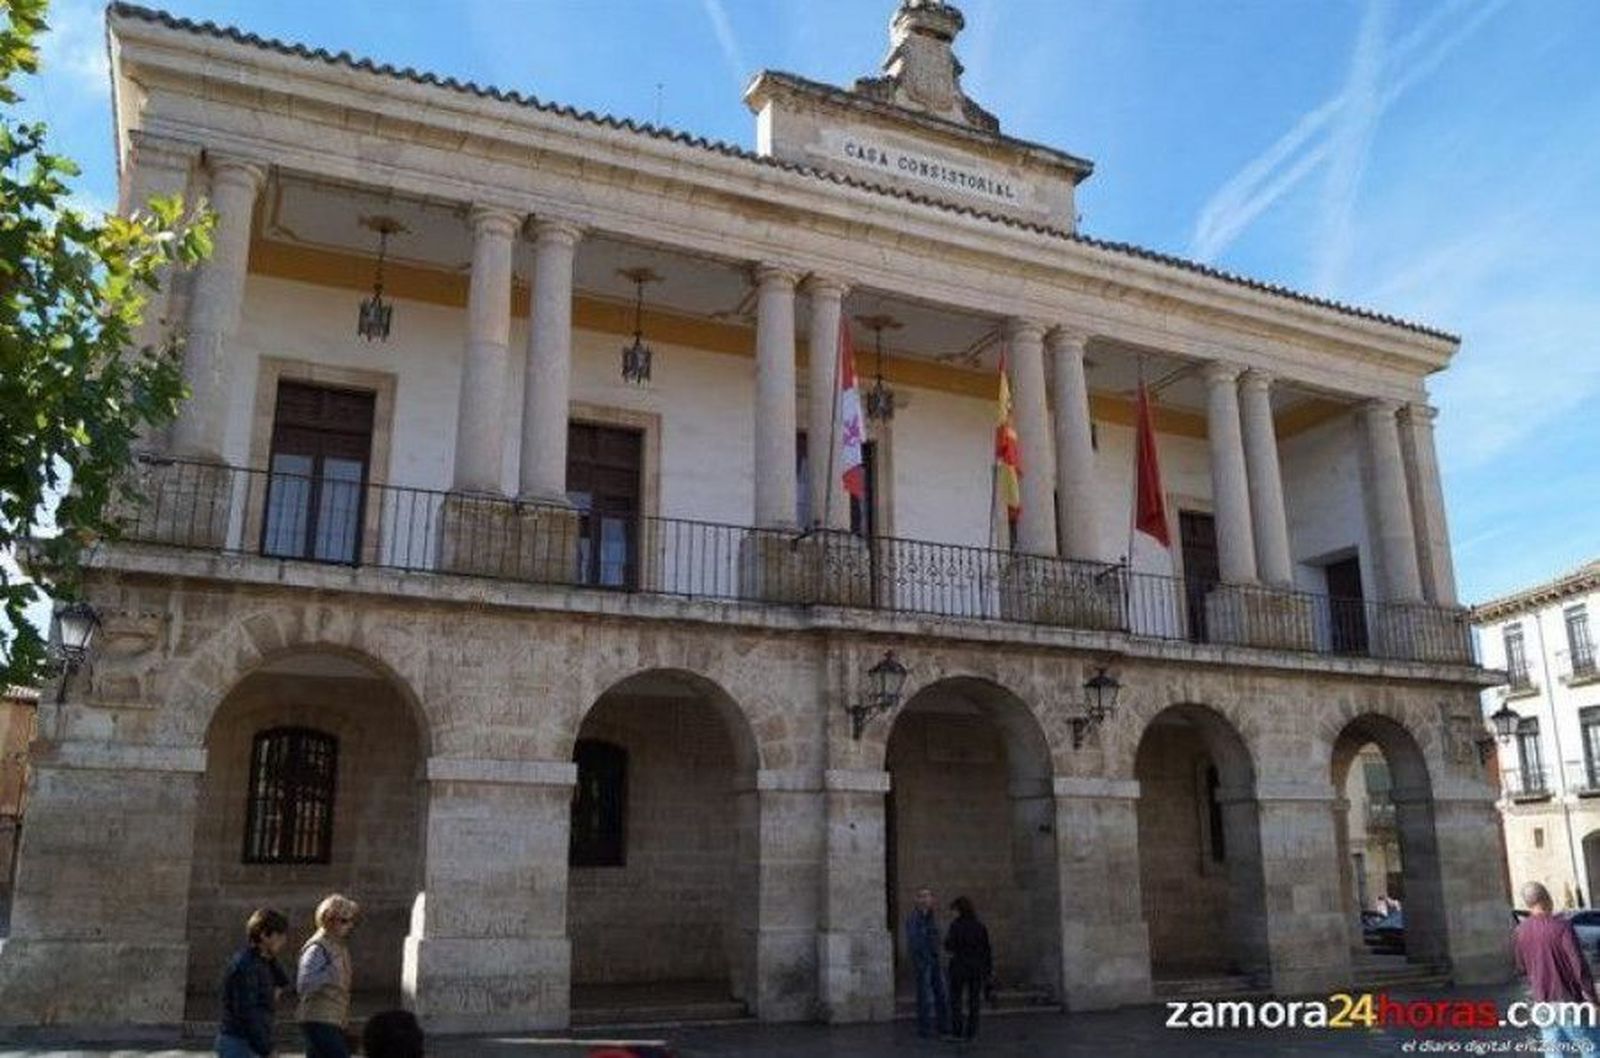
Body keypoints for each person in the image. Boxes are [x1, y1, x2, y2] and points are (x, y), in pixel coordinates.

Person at [1513, 880, 1600, 1052]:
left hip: (1541, 1002)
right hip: (1566, 999)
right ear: (1547, 898)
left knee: (1554, 1052)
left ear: (1528, 904)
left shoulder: (1520, 931)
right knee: (1591, 1048)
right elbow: (1579, 967)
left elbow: (1521, 968)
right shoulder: (1561, 927)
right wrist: (1592, 999)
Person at [217, 908, 290, 1058]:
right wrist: (266, 1049)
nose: (284, 940)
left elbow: (283, 982)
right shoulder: (246, 965)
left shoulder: (264, 961)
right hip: (240, 1043)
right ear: (264, 935)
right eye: (279, 935)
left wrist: (271, 958)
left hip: (251, 1042)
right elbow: (248, 1012)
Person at [298, 893, 360, 1058]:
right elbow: (304, 983)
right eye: (345, 920)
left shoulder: (337, 945)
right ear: (329, 919)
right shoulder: (317, 948)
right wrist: (329, 974)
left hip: (333, 1019)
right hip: (318, 1018)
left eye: (352, 920)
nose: (350, 925)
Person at [944, 896, 993, 1042]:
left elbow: (949, 946)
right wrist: (988, 970)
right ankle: (972, 1032)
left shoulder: (956, 926)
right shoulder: (980, 926)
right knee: (974, 1001)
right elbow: (986, 950)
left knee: (956, 1000)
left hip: (959, 966)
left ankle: (957, 1030)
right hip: (976, 968)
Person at [905, 886, 950, 1039]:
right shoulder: (913, 919)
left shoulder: (933, 918)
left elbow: (937, 937)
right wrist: (922, 958)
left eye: (928, 896)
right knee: (925, 996)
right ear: (916, 900)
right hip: (924, 961)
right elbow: (914, 940)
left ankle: (943, 1026)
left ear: (932, 899)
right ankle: (925, 1028)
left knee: (941, 994)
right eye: (921, 896)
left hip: (935, 959)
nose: (925, 899)